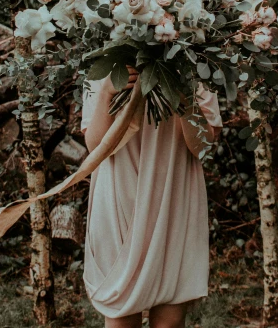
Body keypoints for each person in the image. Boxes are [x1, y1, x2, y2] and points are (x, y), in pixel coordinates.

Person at [81, 66, 223, 328]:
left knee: (169, 322)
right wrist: (106, 92)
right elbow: (95, 146)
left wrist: (184, 98)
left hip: (173, 195)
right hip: (119, 193)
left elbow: (202, 146)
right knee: (120, 319)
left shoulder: (195, 63)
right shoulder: (105, 62)